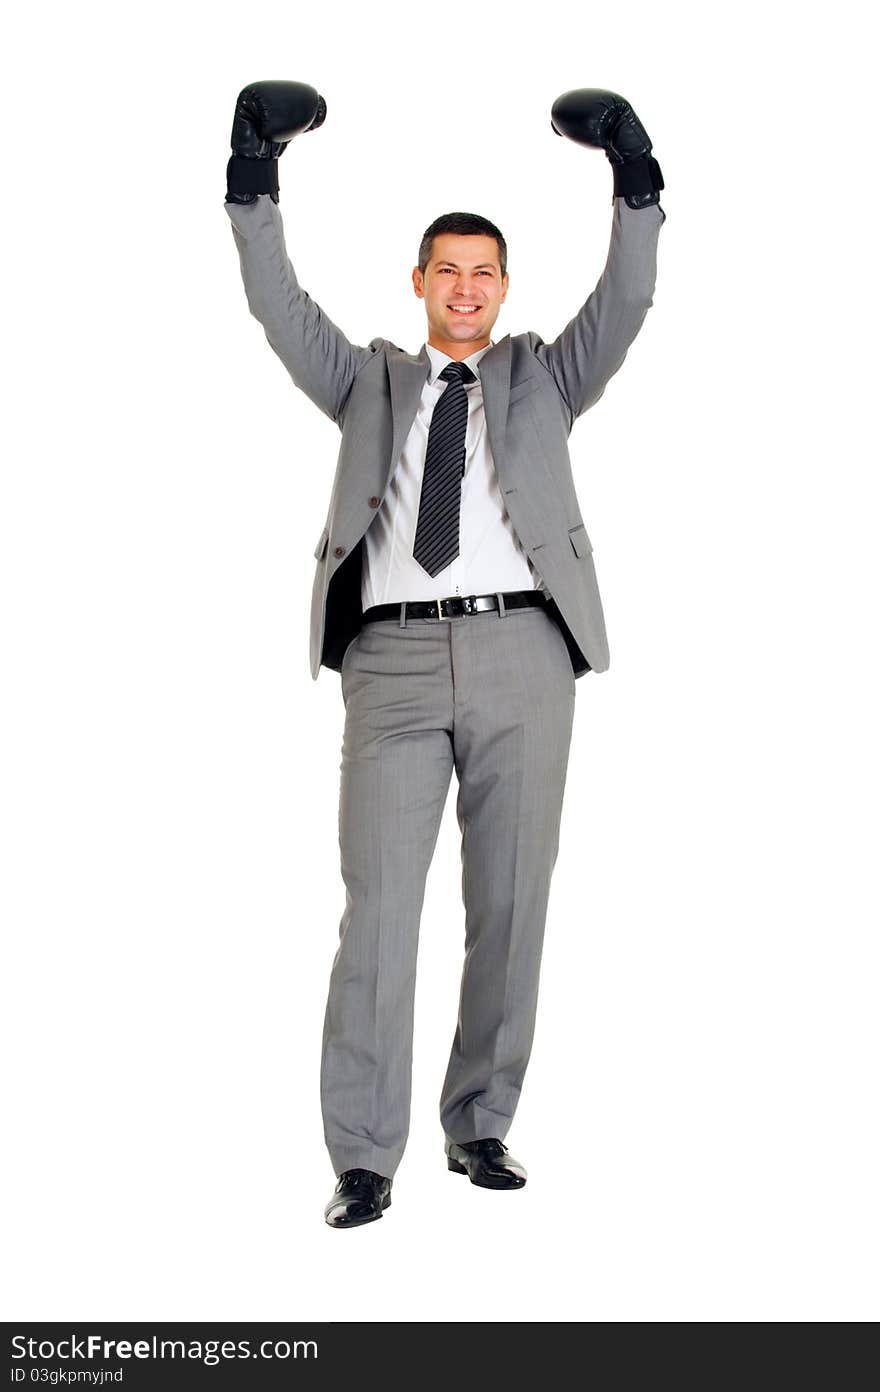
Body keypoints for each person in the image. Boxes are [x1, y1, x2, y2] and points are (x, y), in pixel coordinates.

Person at [224, 81, 665, 1228]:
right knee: (377, 907)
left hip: (526, 648)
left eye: (484, 273)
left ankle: (481, 1127)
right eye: (446, 272)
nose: (466, 289)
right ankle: (364, 1155)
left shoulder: (543, 376)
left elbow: (625, 300)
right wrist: (255, 172)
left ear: (503, 289)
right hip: (394, 669)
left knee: (511, 902)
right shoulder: (367, 378)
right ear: (418, 285)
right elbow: (278, 306)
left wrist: (632, 173)